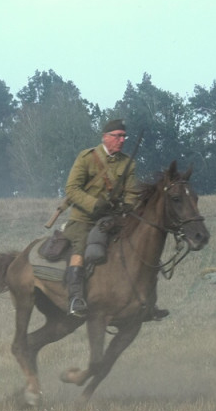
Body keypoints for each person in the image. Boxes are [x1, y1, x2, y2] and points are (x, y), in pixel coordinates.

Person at [62, 119, 169, 320]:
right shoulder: (87, 158)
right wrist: (94, 204)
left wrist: (127, 207)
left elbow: (130, 192)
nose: (121, 140)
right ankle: (75, 298)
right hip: (84, 217)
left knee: (141, 247)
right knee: (82, 246)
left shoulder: (128, 162)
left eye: (123, 136)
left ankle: (148, 303)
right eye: (117, 136)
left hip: (112, 218)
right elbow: (72, 189)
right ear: (105, 137)